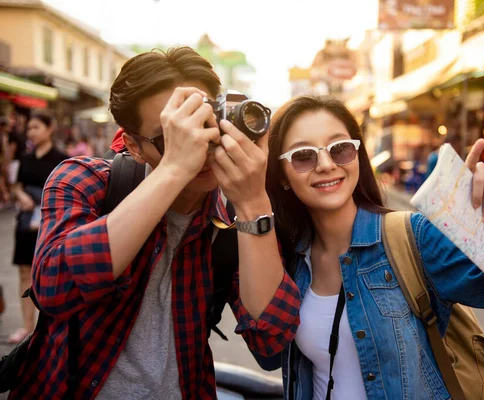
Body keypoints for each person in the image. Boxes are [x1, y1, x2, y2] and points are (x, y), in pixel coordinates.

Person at [9, 47, 300, 399]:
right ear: (132, 145)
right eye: (173, 136)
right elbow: (53, 288)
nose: (199, 145)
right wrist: (175, 169)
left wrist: (254, 202)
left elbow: (270, 345)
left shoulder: (230, 225)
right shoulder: (85, 182)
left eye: (205, 124)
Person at [264, 95, 484, 400]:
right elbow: (268, 353)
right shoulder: (290, 259)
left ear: (358, 156)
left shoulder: (413, 239)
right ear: (283, 175)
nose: (326, 165)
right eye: (304, 156)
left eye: (340, 149)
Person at [9, 110, 69, 344]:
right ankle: (26, 327)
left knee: (50, 274)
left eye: (36, 127)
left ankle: (48, 329)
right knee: (25, 272)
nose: (31, 132)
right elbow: (16, 185)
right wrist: (20, 194)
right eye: (29, 128)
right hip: (26, 223)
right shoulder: (25, 158)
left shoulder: (61, 159)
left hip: (50, 224)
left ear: (49, 128)